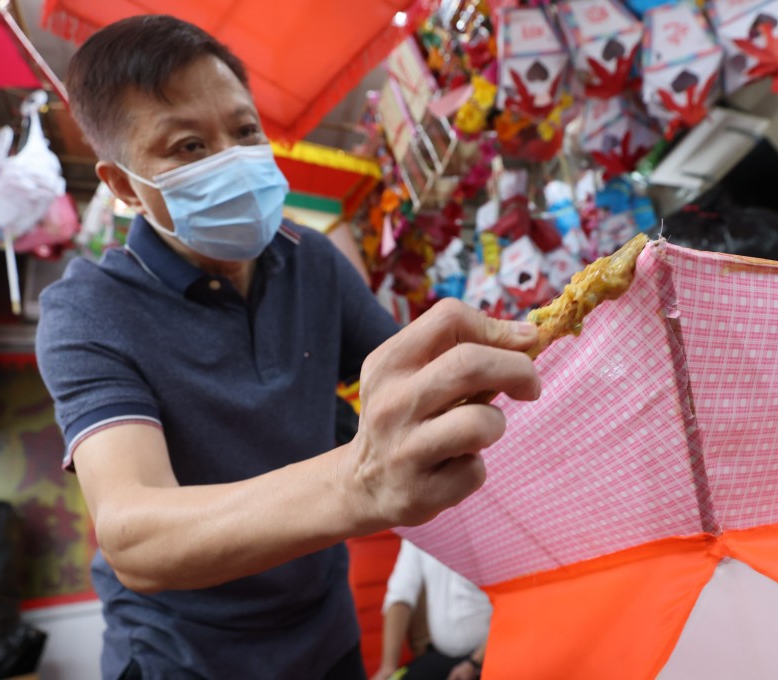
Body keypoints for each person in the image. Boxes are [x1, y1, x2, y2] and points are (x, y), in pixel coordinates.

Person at [34, 15, 541, 680]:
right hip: (184, 658)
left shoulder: (315, 263)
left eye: (244, 132)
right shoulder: (87, 310)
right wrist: (361, 482)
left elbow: (422, 381)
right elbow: (135, 534)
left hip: (323, 635)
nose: (233, 159)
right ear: (125, 184)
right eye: (188, 147)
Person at [371, 541, 491, 680]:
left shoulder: (490, 530)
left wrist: (474, 662)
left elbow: (509, 603)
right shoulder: (419, 529)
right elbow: (400, 596)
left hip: (488, 653)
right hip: (441, 654)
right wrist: (388, 667)